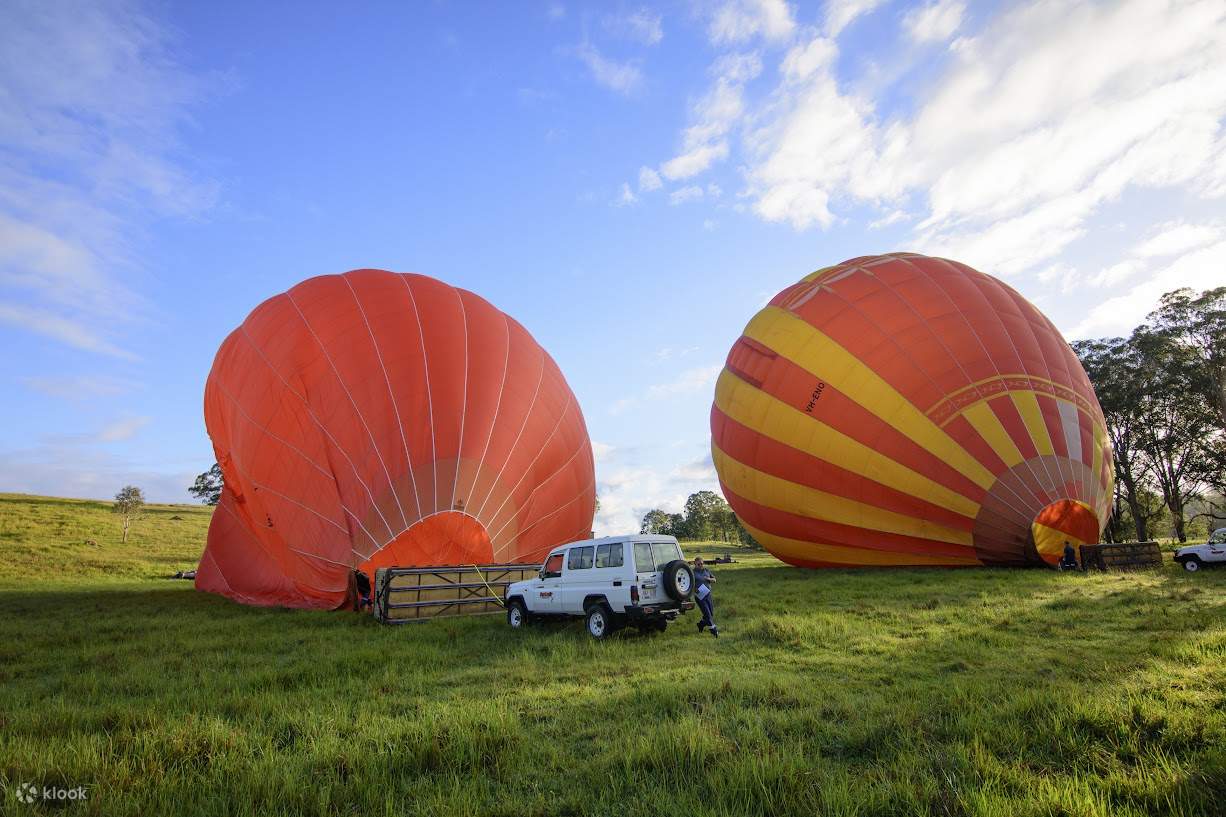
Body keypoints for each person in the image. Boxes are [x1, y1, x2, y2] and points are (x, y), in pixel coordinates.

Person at [692, 557, 718, 638]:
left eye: (702, 564)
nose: (700, 565)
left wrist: (708, 579)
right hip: (699, 596)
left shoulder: (706, 570)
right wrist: (695, 590)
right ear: (695, 564)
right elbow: (689, 585)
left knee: (711, 613)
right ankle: (714, 630)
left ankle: (701, 624)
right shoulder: (692, 573)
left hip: (707, 594)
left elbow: (714, 580)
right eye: (698, 564)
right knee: (707, 614)